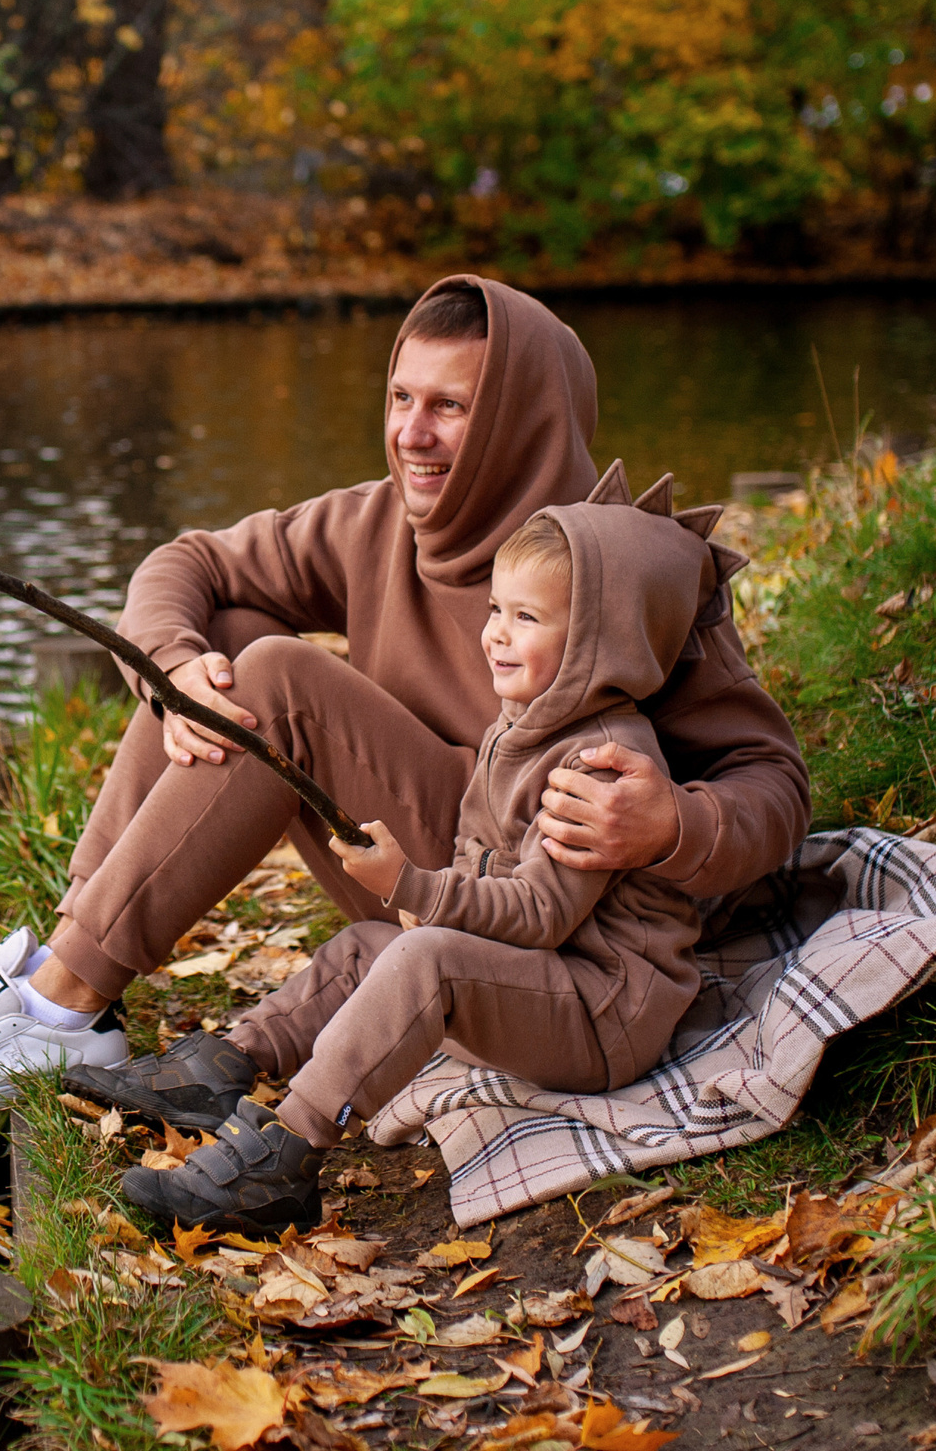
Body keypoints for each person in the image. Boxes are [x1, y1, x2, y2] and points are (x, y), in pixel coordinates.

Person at [0, 277, 806, 1122]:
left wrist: (670, 823)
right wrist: (174, 665)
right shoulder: (376, 519)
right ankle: (64, 979)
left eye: (451, 408)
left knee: (277, 675)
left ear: (521, 421)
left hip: (533, 913)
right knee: (224, 642)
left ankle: (61, 1003)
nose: (411, 434)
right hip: (408, 871)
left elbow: (775, 782)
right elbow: (186, 561)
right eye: (401, 399)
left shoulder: (615, 570)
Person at [110, 475, 732, 1231]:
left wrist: (413, 886)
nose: (494, 634)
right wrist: (422, 897)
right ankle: (231, 1064)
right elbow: (479, 849)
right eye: (496, 609)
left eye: (526, 617)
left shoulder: (598, 766)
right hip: (551, 982)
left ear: (599, 642)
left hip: (602, 1011)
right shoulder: (523, 726)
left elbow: (539, 914)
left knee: (421, 959)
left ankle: (284, 1158)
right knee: (369, 946)